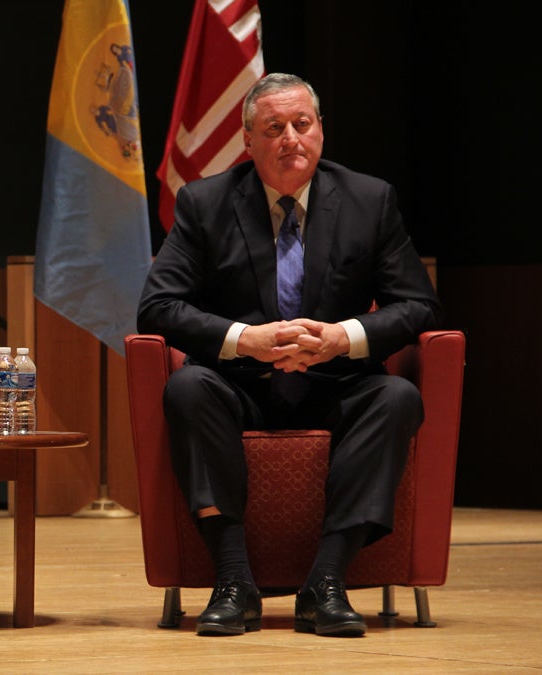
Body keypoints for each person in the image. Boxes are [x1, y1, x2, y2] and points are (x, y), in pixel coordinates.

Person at [136, 73, 442, 638]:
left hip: (337, 385)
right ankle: (233, 583)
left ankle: (326, 583)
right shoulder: (204, 202)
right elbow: (156, 307)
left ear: (321, 130)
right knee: (186, 388)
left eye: (302, 124)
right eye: (274, 128)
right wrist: (243, 338)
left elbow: (419, 306)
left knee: (397, 396)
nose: (291, 139)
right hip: (240, 385)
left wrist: (341, 337)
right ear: (247, 139)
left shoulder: (369, 199)